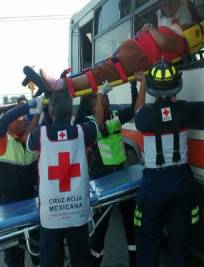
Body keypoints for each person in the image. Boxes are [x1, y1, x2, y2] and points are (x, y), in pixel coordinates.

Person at [36, 0, 198, 94]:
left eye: (182, 24)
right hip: (134, 49)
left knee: (103, 72)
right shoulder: (172, 34)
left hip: (139, 56)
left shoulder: (180, 42)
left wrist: (150, 28)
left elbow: (161, 43)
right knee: (101, 68)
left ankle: (62, 84)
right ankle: (64, 82)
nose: (178, 23)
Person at [26, 87, 106, 267]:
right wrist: (100, 95)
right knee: (81, 261)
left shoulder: (41, 135)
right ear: (72, 111)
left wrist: (37, 112)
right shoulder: (81, 132)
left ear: (51, 111)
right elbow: (99, 124)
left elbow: (28, 139)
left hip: (51, 215)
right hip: (77, 212)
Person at [133, 60, 193, 267]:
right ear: (176, 85)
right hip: (181, 181)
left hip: (155, 185)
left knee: (148, 240)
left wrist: (142, 83)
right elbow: (172, 105)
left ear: (152, 88)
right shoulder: (185, 110)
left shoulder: (146, 116)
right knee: (180, 240)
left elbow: (138, 109)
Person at [74, 82, 138, 267]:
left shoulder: (115, 116)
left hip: (121, 176)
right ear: (92, 104)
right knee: (100, 231)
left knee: (131, 226)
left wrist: (134, 84)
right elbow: (96, 122)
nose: (105, 98)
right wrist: (95, 93)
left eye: (105, 96)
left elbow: (134, 109)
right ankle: (94, 262)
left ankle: (134, 260)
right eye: (99, 98)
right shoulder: (87, 124)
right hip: (101, 180)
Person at [0, 102, 40, 267]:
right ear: (11, 124)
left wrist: (38, 111)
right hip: (10, 203)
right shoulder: (2, 139)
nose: (25, 119)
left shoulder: (31, 139)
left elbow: (35, 124)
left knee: (38, 245)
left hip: (31, 199)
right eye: (20, 118)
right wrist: (28, 105)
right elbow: (2, 122)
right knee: (14, 249)